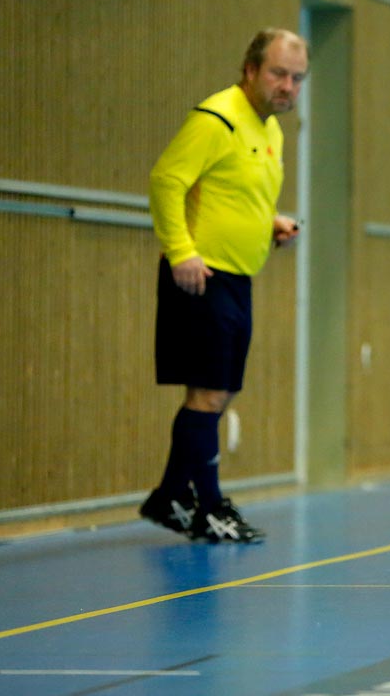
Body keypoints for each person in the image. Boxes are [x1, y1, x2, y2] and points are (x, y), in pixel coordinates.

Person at [139, 28, 309, 544]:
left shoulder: (270, 131)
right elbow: (167, 180)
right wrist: (181, 251)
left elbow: (233, 196)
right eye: (279, 73)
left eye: (297, 78)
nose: (288, 87)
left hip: (238, 277)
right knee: (209, 394)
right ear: (251, 69)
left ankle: (170, 495)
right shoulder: (216, 117)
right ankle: (209, 507)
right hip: (202, 274)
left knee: (222, 392)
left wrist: (271, 223)